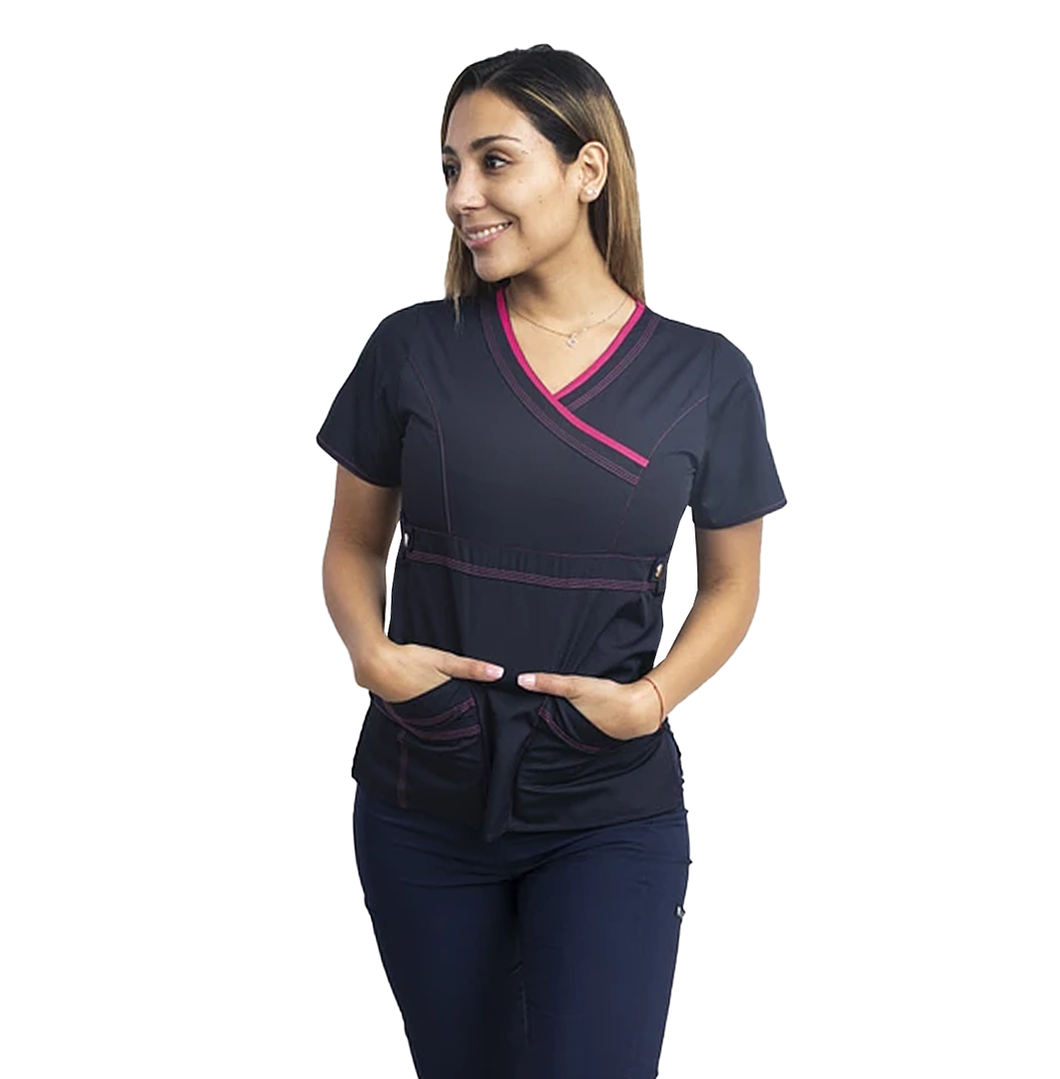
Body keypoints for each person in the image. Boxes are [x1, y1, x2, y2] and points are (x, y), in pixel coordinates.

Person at [317, 44, 787, 1079]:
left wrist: (653, 698)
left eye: (494, 161)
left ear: (587, 169)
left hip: (603, 802)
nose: (461, 195)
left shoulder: (704, 375)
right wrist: (372, 655)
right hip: (419, 793)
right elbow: (352, 543)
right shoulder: (410, 348)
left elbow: (733, 581)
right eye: (449, 167)